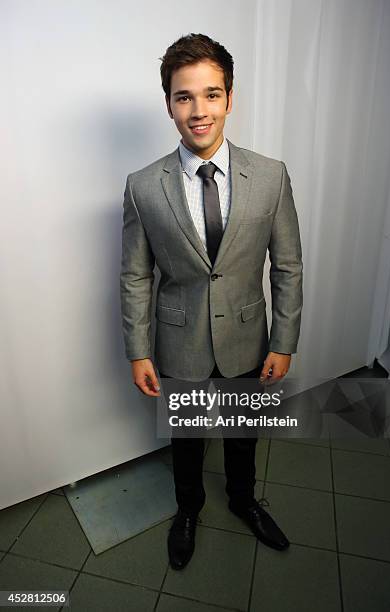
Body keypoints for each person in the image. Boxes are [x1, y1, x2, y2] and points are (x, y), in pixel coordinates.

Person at [120, 33, 303, 570]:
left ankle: (245, 500)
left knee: (245, 433)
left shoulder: (270, 176)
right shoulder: (142, 186)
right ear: (169, 103)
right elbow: (135, 275)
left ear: (230, 98)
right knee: (188, 440)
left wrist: (285, 341)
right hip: (179, 344)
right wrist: (138, 350)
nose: (199, 111)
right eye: (184, 97)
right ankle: (188, 510)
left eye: (212, 94)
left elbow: (287, 265)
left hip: (250, 337)